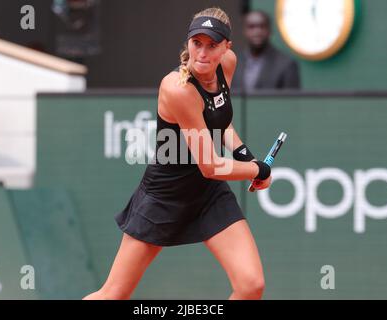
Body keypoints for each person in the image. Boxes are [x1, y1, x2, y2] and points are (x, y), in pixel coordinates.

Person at [83, 7, 272, 300]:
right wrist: (258, 170)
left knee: (251, 285)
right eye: (197, 43)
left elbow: (219, 122)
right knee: (113, 295)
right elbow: (210, 165)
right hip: (164, 196)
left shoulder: (228, 65)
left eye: (212, 45)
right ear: (188, 43)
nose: (203, 53)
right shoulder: (178, 89)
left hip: (208, 194)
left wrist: (246, 156)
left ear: (227, 48)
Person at [232, 10, 300, 93]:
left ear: (270, 30)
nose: (257, 32)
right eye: (251, 27)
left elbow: (292, 103)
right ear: (244, 31)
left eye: (262, 26)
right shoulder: (233, 62)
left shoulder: (287, 64)